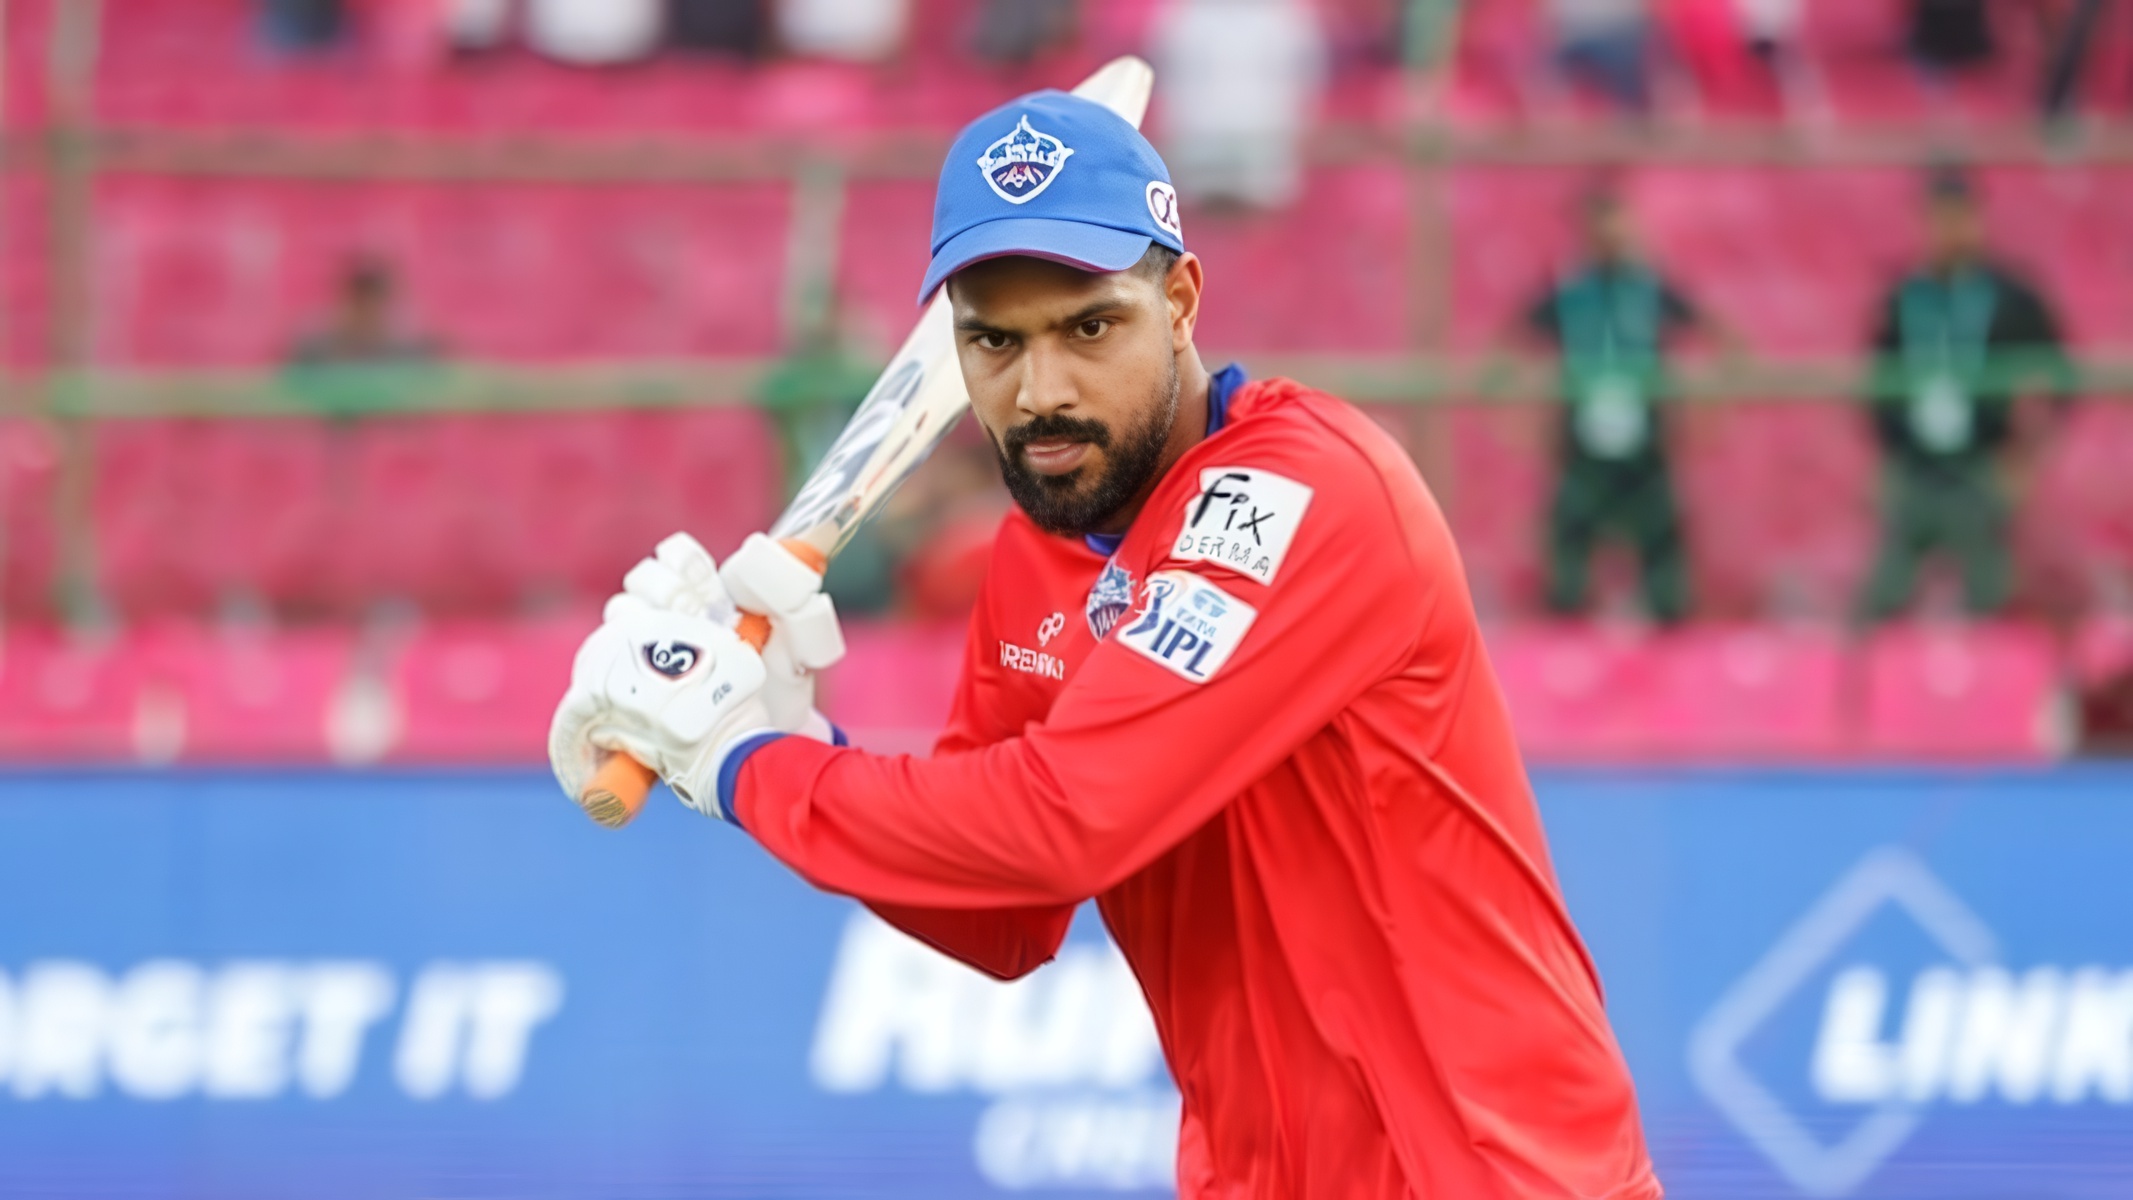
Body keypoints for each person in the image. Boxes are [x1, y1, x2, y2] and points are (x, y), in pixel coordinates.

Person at [550, 90, 1660, 1198]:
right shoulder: (1036, 555)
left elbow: (1064, 826)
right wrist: (799, 733)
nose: (1042, 393)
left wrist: (740, 763)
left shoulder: (1304, 490)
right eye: (994, 341)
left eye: (1089, 327)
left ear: (1178, 300)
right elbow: (1001, 913)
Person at [1858, 170, 2073, 622]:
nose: (1949, 230)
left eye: (1958, 217)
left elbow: (2062, 377)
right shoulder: (1903, 295)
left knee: (1990, 596)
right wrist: (1883, 458)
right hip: (1915, 466)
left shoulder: (2012, 296)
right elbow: (1877, 383)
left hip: (1980, 465)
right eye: (1938, 218)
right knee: (1882, 597)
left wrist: (2027, 458)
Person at [1517, 187, 1718, 625]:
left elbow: (1715, 334)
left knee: (1662, 552)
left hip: (1644, 445)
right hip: (1583, 445)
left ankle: (1668, 631)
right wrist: (1524, 415)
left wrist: (1703, 407)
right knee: (1569, 551)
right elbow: (1512, 345)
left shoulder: (1651, 290)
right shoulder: (1570, 293)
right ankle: (1563, 640)